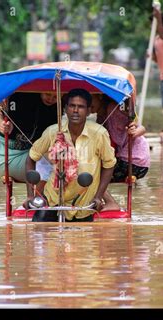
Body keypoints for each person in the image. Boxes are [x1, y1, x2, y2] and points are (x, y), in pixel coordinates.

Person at [24, 89, 116, 222]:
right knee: (37, 238)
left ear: (89, 110)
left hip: (83, 206)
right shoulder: (52, 132)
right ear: (66, 109)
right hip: (53, 201)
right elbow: (31, 157)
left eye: (81, 107)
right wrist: (30, 196)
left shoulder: (99, 134)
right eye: (72, 106)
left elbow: (109, 165)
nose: (76, 110)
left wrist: (98, 196)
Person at [91, 94, 150, 211]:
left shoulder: (113, 109)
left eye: (90, 97)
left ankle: (110, 202)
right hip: (133, 160)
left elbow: (138, 126)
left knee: (90, 172)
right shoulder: (101, 116)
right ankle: (101, 201)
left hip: (133, 161)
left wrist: (135, 130)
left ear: (99, 97)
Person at [0, 92, 57, 186]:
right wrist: (2, 125)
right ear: (40, 91)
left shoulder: (58, 109)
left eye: (55, 97)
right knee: (48, 168)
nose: (50, 99)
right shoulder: (20, 96)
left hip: (31, 155)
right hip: (5, 157)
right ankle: (36, 199)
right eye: (48, 94)